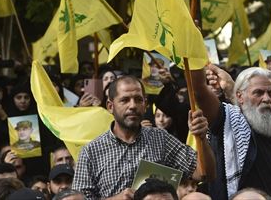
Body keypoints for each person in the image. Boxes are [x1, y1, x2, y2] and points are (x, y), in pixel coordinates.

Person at [72, 76, 215, 199]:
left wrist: (202, 139)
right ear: (110, 106)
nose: (133, 106)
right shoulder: (91, 152)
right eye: (125, 100)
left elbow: (204, 174)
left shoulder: (161, 139)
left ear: (145, 105)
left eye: (138, 99)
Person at [195, 66, 271, 199]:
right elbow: (200, 92)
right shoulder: (227, 121)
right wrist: (197, 63)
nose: (267, 99)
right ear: (240, 96)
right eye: (258, 93)